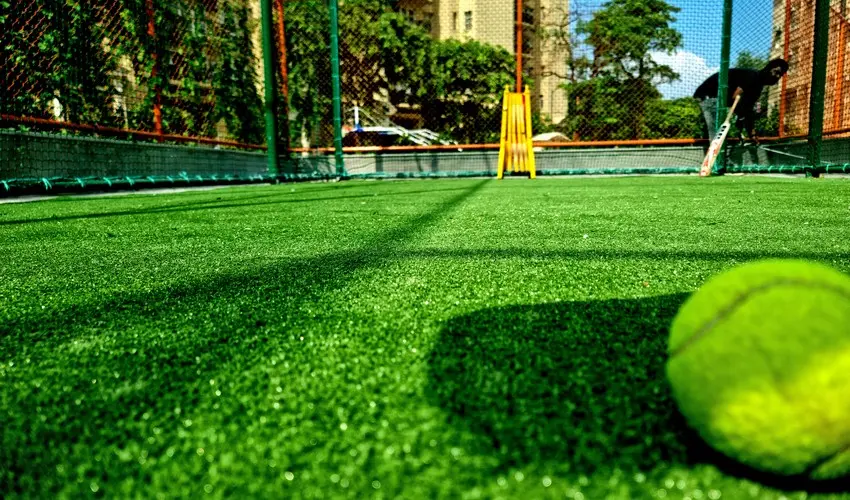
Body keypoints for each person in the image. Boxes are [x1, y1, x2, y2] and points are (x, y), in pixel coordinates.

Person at [694, 58, 789, 148]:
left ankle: (717, 156)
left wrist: (752, 134)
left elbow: (748, 111)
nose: (777, 77)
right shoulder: (752, 76)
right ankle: (715, 160)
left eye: (780, 75)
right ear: (768, 68)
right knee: (717, 130)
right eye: (776, 72)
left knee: (720, 129)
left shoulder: (758, 88)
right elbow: (735, 98)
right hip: (707, 94)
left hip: (718, 99)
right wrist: (740, 116)